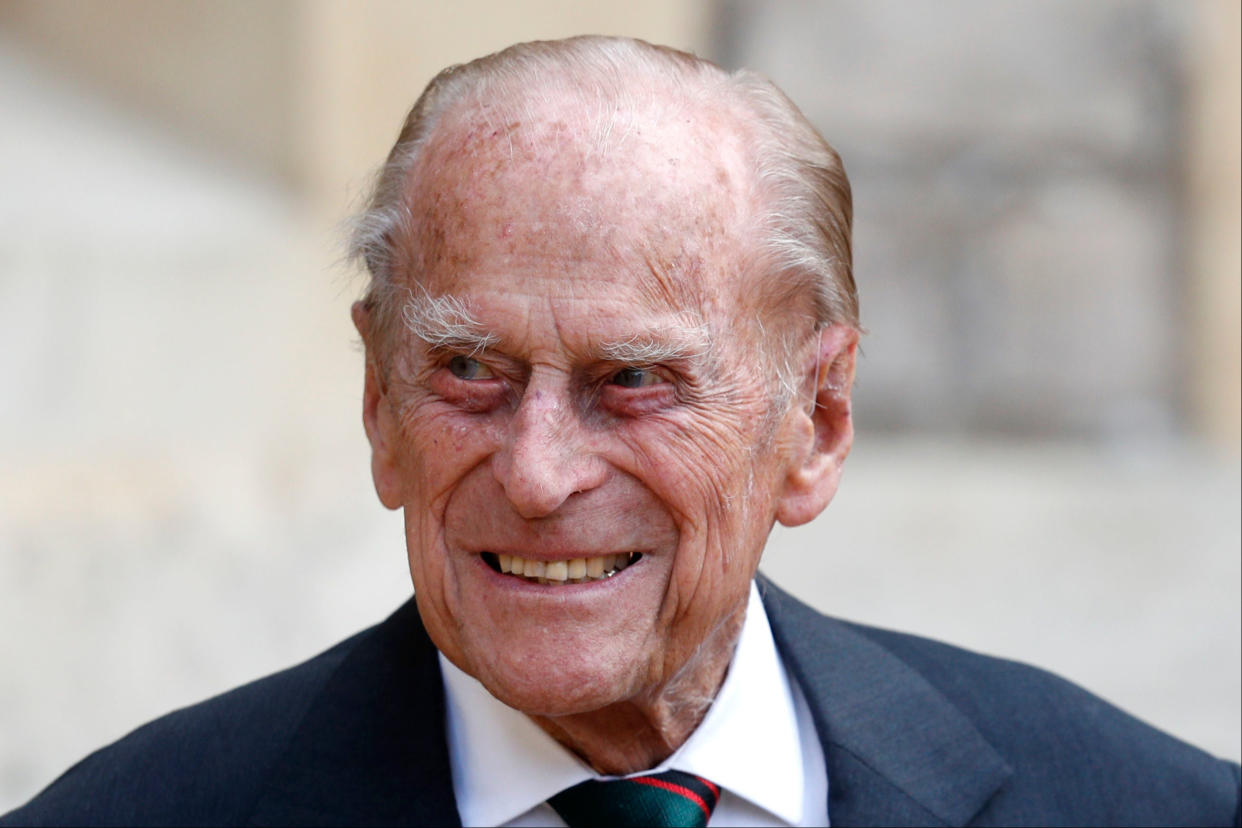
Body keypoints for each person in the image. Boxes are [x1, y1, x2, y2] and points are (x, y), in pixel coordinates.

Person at [3, 35, 1238, 828]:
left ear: (816, 421)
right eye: (469, 370)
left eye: (635, 380)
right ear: (379, 405)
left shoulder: (1141, 808)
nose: (538, 475)